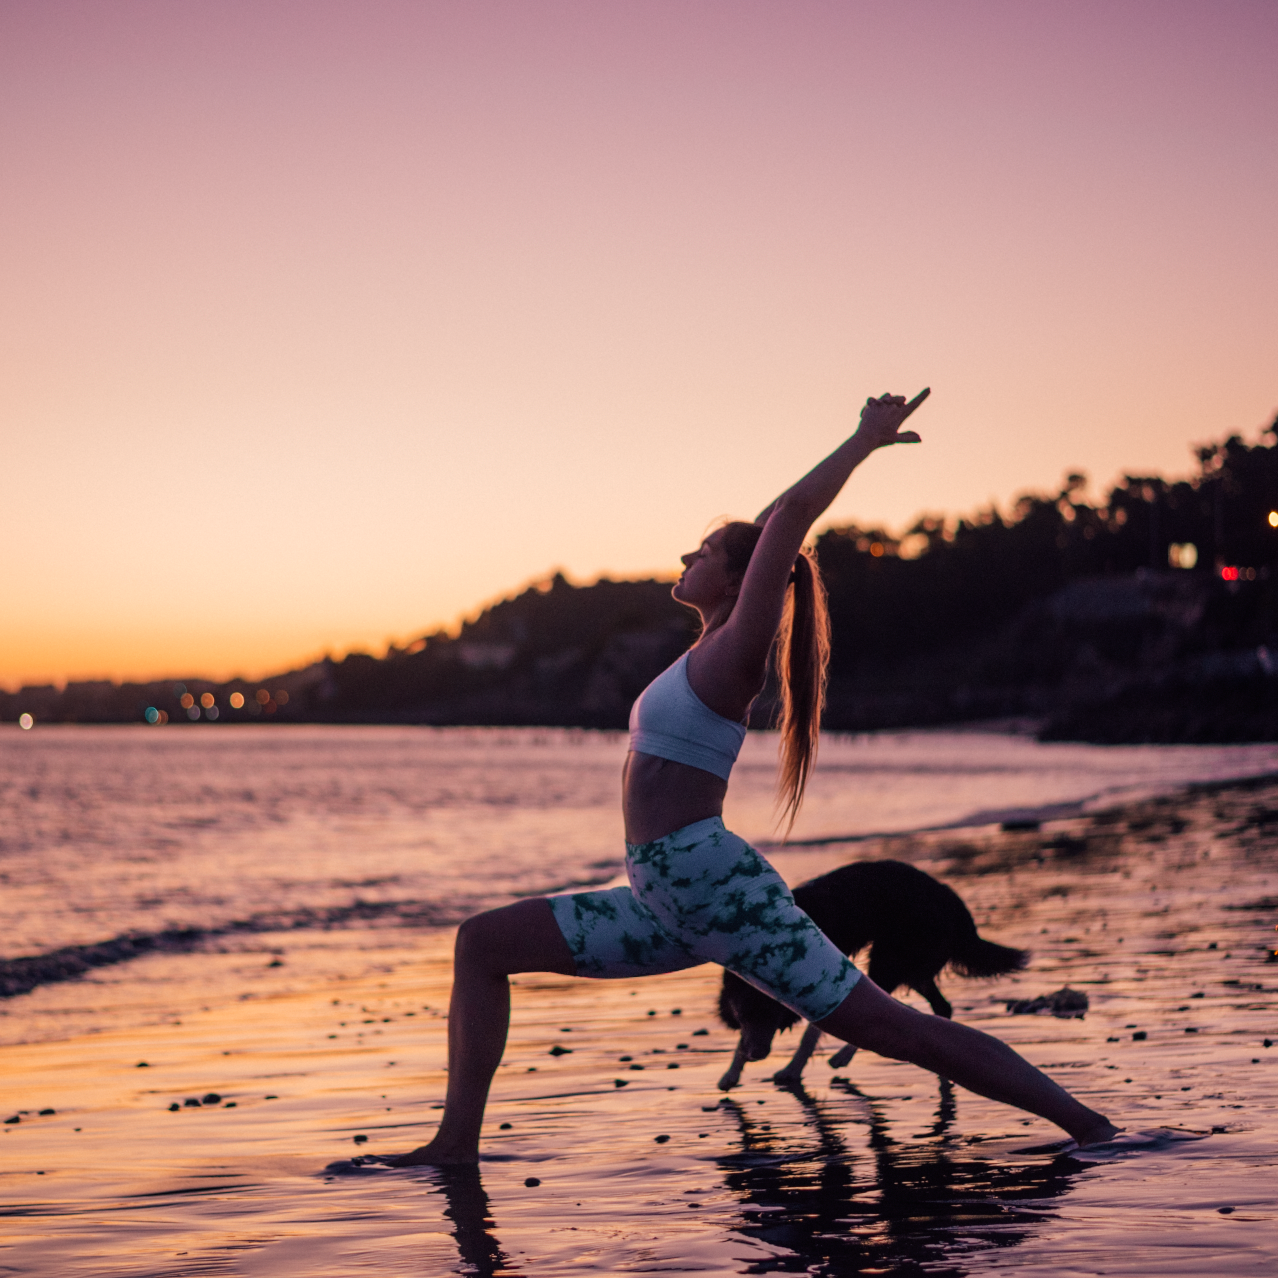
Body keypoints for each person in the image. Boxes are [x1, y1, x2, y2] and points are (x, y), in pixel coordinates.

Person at [391, 390, 1118, 1166]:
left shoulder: (736, 652)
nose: (685, 558)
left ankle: (1090, 1127)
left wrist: (864, 439)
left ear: (740, 580)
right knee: (481, 944)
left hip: (714, 891)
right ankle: (453, 1145)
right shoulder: (701, 648)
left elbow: (788, 520)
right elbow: (768, 527)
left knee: (892, 1029)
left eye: (702, 553)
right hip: (659, 898)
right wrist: (764, 527)